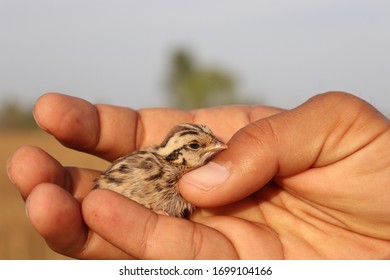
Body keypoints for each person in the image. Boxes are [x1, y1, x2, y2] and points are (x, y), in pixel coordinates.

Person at [6, 91, 390, 259]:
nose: (215, 148)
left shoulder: (176, 170)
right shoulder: (166, 175)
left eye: (208, 144)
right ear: (178, 155)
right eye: (197, 146)